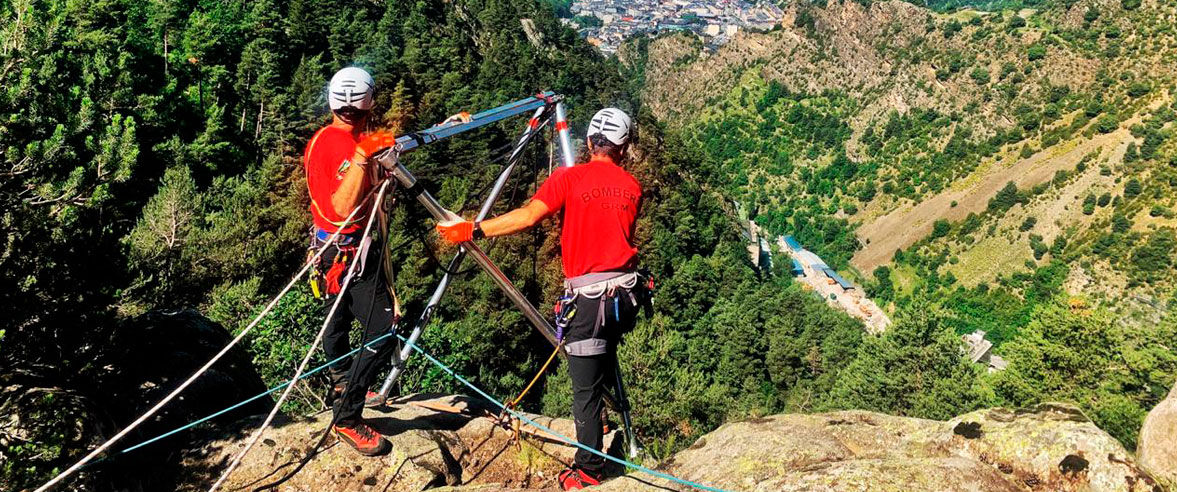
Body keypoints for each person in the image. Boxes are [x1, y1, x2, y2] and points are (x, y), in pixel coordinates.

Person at [435, 108, 643, 490]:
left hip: (591, 299)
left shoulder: (569, 177)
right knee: (602, 360)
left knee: (584, 388)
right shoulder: (632, 186)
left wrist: (474, 229)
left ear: (591, 142)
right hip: (626, 298)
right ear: (623, 145)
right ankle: (602, 426)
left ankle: (588, 471)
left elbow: (529, 216)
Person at [303, 66, 399, 456]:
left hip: (338, 250)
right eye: (356, 114)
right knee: (382, 330)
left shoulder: (340, 138)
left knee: (337, 320)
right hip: (345, 250)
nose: (355, 118)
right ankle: (348, 415)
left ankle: (343, 380)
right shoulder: (338, 145)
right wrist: (363, 159)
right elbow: (339, 210)